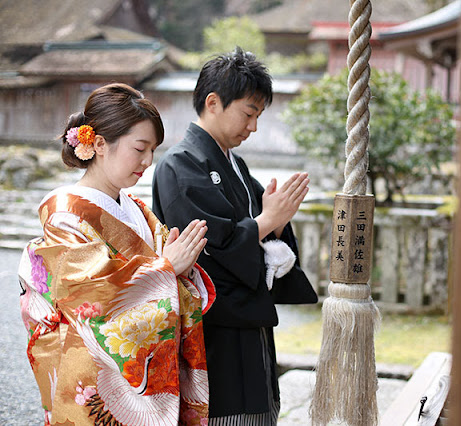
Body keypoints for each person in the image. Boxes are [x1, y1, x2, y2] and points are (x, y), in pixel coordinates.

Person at [18, 83, 215, 426]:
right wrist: (166, 267)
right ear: (98, 144)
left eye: (153, 150)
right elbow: (86, 294)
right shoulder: (65, 213)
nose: (147, 161)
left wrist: (178, 269)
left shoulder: (137, 209)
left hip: (144, 372)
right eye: (140, 148)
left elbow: (168, 275)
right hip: (92, 373)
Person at [152, 47, 318, 425]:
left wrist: (276, 221)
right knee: (227, 412)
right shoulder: (180, 164)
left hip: (248, 318)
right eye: (248, 113)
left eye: (258, 115)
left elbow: (264, 226)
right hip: (216, 324)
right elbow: (208, 246)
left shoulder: (234, 163)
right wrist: (267, 220)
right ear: (213, 102)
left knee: (260, 406)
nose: (254, 126)